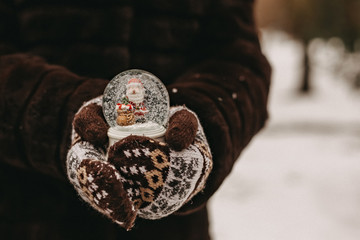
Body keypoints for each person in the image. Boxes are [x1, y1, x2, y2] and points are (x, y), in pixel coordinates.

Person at [0, 0, 271, 239]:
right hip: (27, 216)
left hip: (172, 230)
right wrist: (72, 118)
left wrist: (200, 125)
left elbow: (240, 59)